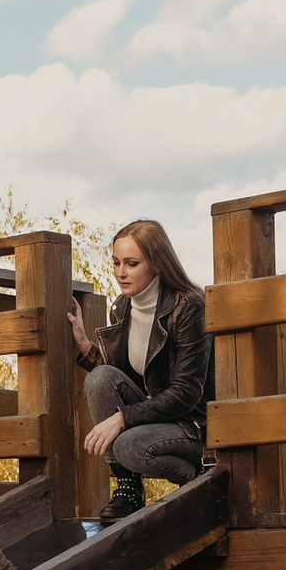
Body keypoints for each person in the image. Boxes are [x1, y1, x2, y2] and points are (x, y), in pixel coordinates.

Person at [69, 218, 212, 521]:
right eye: (117, 262)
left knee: (129, 446)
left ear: (157, 264)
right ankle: (128, 488)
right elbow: (120, 380)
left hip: (193, 425)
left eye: (132, 263)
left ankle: (200, 478)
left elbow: (186, 393)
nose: (121, 272)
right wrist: (84, 347)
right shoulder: (123, 307)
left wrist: (123, 419)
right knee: (100, 378)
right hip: (155, 418)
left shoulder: (189, 307)